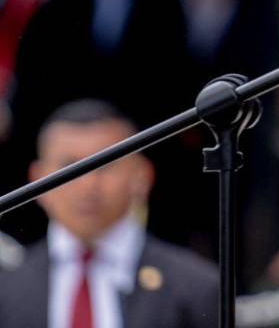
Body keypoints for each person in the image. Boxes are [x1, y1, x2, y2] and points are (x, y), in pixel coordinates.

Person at [0, 100, 217, 327]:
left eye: (104, 165)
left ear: (141, 177)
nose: (87, 185)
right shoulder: (6, 288)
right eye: (68, 167)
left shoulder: (196, 287)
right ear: (36, 181)